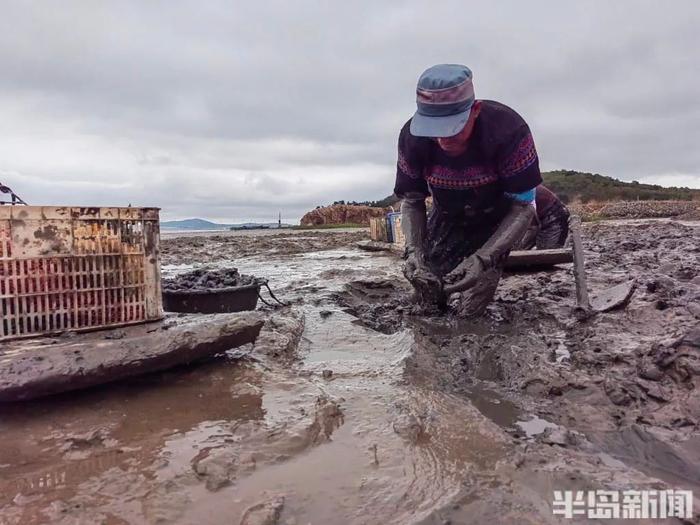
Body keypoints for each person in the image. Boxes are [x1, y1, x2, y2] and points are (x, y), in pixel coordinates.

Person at [394, 64, 569, 315]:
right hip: (448, 214)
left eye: (452, 130)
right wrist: (413, 251)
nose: (442, 141)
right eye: (435, 132)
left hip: (498, 218)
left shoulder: (508, 131)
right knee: (428, 299)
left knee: (470, 311)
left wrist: (484, 258)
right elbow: (412, 201)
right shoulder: (412, 138)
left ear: (474, 110)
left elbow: (523, 207)